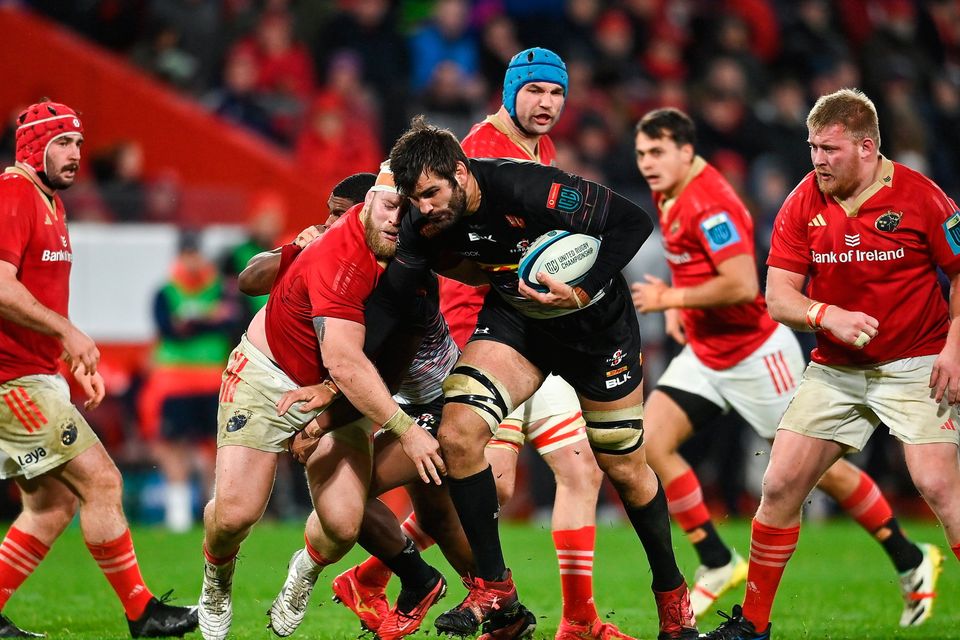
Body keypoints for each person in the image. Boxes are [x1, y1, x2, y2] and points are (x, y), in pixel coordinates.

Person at [334, 47, 629, 640]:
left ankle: (574, 620)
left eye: (555, 93)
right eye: (534, 91)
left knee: (570, 471)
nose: (545, 104)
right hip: (491, 332)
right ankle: (465, 592)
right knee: (491, 476)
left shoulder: (536, 151)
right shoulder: (479, 153)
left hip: (533, 325)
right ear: (509, 91)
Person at [385, 116, 699, 640]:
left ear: (461, 174)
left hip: (598, 331)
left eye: (433, 194)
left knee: (623, 467)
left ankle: (673, 600)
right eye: (414, 199)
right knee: (458, 433)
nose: (425, 209)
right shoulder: (424, 220)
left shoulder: (529, 187)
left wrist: (583, 288)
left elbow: (632, 222)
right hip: (520, 323)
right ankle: (493, 587)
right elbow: (401, 294)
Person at [631, 107, 942, 623]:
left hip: (756, 354)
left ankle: (910, 558)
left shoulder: (711, 204)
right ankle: (714, 558)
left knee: (817, 473)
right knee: (647, 443)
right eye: (641, 153)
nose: (647, 163)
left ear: (687, 152)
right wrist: (684, 309)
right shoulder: (671, 192)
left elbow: (741, 286)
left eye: (658, 152)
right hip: (708, 353)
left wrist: (670, 300)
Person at [703, 88, 960, 639]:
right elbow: (778, 297)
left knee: (939, 486)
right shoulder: (802, 202)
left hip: (917, 360)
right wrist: (826, 315)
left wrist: (955, 348)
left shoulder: (922, 197)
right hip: (838, 369)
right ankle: (752, 626)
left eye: (830, 149)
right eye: (812, 147)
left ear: (867, 148)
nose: (817, 160)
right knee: (779, 485)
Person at [198, 165, 449, 640]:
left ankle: (305, 573)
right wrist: (407, 430)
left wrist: (328, 411)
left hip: (343, 387)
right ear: (367, 205)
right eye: (389, 207)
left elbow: (384, 370)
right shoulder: (336, 253)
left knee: (342, 523)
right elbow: (251, 282)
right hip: (268, 376)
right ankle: (216, 579)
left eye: (407, 212)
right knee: (234, 514)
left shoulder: (410, 270)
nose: (397, 220)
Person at [0, 100, 198, 637]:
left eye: (80, 144)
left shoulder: (50, 203)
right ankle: (142, 612)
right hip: (10, 380)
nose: (75, 154)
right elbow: (0, 286)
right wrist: (67, 334)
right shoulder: (14, 191)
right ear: (33, 147)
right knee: (103, 482)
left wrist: (68, 355)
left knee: (52, 504)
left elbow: (35, 296)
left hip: (33, 372)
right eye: (62, 143)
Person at [140, 230, 240, 532]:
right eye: (187, 254)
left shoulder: (220, 290)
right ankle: (179, 514)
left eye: (195, 254)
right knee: (175, 447)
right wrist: (210, 319)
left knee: (212, 447)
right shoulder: (166, 292)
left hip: (211, 381)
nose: (192, 261)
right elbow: (169, 330)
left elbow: (232, 323)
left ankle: (213, 513)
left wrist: (191, 322)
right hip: (174, 383)